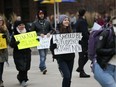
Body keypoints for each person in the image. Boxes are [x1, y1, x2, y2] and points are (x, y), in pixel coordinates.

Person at [50, 15, 75, 87]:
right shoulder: (56, 32)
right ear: (61, 22)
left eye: (68, 20)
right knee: (66, 76)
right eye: (65, 20)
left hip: (71, 57)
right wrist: (56, 52)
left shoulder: (71, 31)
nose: (67, 21)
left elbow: (75, 42)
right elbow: (52, 46)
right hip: (61, 58)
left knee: (69, 77)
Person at [93, 16, 116, 87]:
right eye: (115, 25)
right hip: (104, 67)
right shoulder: (106, 33)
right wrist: (113, 50)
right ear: (111, 24)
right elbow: (98, 50)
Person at [10, 21, 31, 87]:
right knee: (21, 67)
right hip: (18, 53)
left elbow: (32, 41)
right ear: (17, 26)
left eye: (23, 25)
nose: (22, 26)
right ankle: (23, 80)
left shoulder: (28, 32)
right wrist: (15, 43)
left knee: (26, 66)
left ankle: (21, 77)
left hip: (27, 52)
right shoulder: (15, 34)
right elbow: (11, 44)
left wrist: (36, 40)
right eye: (20, 25)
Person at [31, 10, 53, 74]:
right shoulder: (35, 23)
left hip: (46, 41)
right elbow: (32, 32)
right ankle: (43, 67)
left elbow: (52, 29)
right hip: (40, 41)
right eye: (40, 14)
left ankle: (41, 66)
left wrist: (49, 33)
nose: (41, 15)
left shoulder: (47, 22)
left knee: (45, 55)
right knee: (42, 55)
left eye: (42, 14)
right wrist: (39, 34)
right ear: (38, 15)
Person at [74, 8, 90, 78]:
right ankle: (81, 70)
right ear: (84, 13)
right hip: (83, 41)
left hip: (79, 41)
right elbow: (84, 32)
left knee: (82, 56)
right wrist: (89, 37)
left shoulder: (78, 21)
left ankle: (80, 69)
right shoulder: (82, 21)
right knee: (85, 56)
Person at [0, 15, 10, 87]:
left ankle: (0, 80)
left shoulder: (5, 30)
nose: (0, 22)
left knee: (1, 67)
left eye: (1, 20)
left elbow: (9, 41)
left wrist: (5, 37)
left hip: (3, 52)